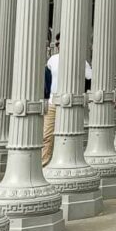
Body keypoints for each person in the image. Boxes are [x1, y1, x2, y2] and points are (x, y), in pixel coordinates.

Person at [43, 33, 93, 166]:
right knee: (47, 136)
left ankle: (66, 163)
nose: (58, 46)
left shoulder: (80, 60)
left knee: (67, 135)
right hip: (53, 102)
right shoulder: (52, 60)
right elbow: (48, 79)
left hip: (70, 103)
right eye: (57, 44)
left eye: (60, 44)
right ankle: (44, 165)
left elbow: (91, 78)